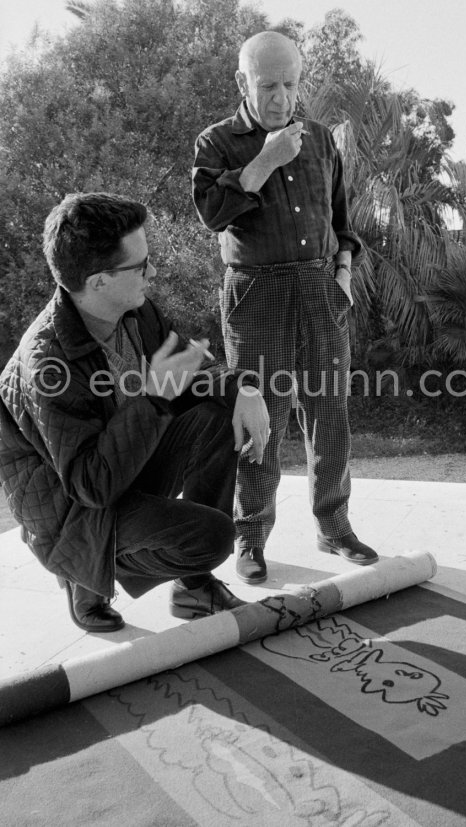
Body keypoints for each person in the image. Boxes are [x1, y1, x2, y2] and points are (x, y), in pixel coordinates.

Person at [0, 192, 270, 632]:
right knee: (213, 537)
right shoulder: (48, 364)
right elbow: (91, 485)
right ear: (99, 281)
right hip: (74, 511)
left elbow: (191, 370)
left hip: (123, 464)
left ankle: (193, 588)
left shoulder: (135, 311)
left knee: (215, 417)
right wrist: (155, 399)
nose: (153, 272)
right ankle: (83, 574)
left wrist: (244, 388)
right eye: (141, 266)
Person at [193, 31, 379, 586]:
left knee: (330, 413)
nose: (281, 97)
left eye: (291, 84)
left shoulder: (320, 138)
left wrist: (342, 274)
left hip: (321, 287)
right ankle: (250, 536)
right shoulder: (216, 142)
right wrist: (266, 160)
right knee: (259, 418)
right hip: (256, 293)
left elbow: (342, 222)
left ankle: (335, 526)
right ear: (242, 82)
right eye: (268, 85)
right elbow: (212, 212)